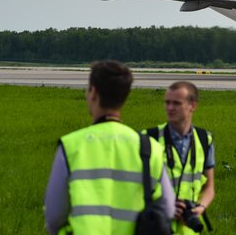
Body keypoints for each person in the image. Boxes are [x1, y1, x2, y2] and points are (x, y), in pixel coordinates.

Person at [43, 60, 175, 234]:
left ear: (93, 93)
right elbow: (168, 210)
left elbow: (54, 217)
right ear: (124, 96)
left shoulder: (71, 145)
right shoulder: (151, 148)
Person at [143, 81, 215, 233]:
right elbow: (135, 187)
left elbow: (209, 187)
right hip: (157, 225)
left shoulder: (204, 139)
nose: (170, 108)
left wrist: (199, 208)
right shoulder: (149, 139)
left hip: (189, 227)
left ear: (193, 106)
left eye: (176, 103)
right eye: (167, 102)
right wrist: (166, 206)